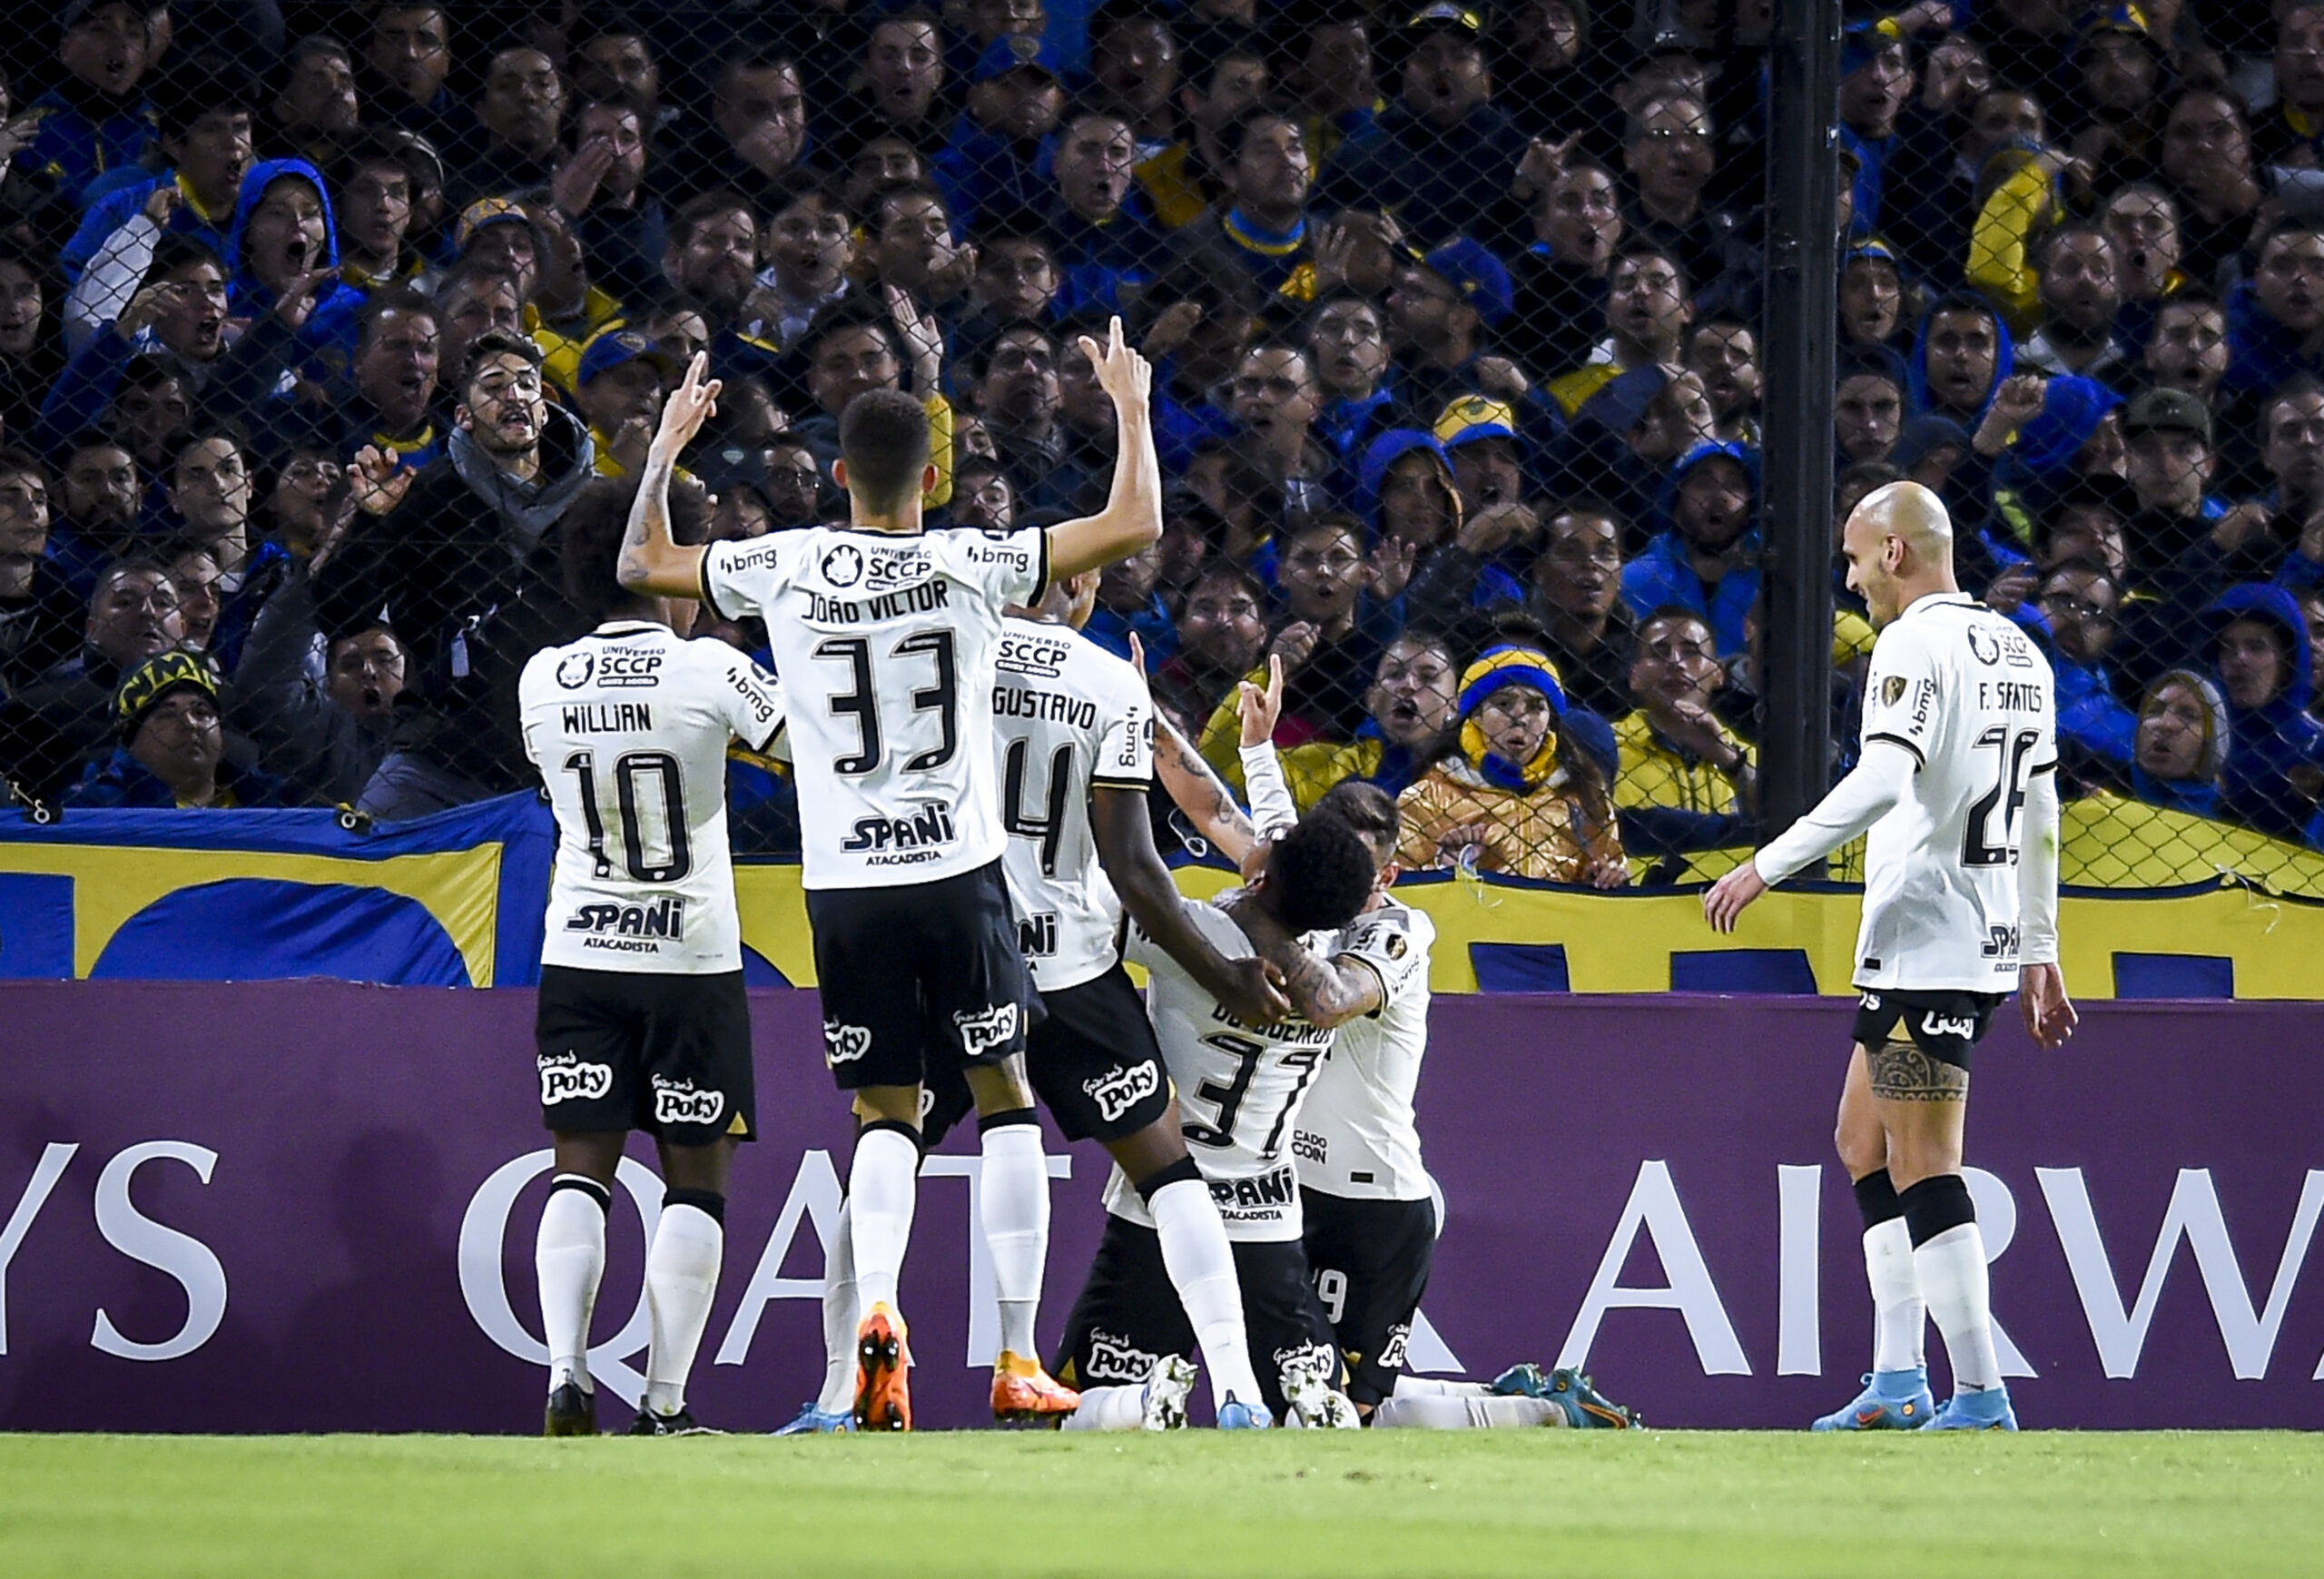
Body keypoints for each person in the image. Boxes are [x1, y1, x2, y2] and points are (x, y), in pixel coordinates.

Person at [615, 323, 1166, 1431]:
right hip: (960, 875)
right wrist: (1131, 406)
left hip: (845, 884)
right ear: (933, 475)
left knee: (883, 1107)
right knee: (1005, 1088)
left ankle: (879, 1313)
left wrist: (666, 453)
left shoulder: (784, 561)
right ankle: (1015, 1347)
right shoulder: (971, 558)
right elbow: (1134, 525)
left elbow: (642, 569)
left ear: (833, 474)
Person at [777, 567, 1294, 1434]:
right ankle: (1239, 1390)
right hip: (1074, 973)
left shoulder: (938, 659)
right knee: (1170, 1175)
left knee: (884, 1147)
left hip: (949, 962)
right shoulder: (1106, 681)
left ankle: (837, 1396)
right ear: (1084, 586)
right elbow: (1136, 870)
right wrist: (1221, 970)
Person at [1154, 672, 1639, 1432]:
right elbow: (1244, 822)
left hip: (1373, 1201)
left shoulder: (1398, 933)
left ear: (1387, 874)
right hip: (1288, 1192)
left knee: (1358, 1412)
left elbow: (1332, 999)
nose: (1339, 877)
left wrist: (1252, 918)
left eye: (1360, 869)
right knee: (1304, 1399)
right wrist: (1251, 746)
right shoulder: (1305, 892)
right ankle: (1513, 1394)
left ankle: (1540, 1413)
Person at [1705, 480, 2078, 1433]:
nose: (1850, 575)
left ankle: (1982, 1391)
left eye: (1856, 556)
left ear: (1897, 554)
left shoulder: (1910, 641)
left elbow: (1883, 774)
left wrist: (1766, 863)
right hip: (1972, 939)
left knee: (1921, 1161)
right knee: (1861, 1142)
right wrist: (2038, 947)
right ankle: (1897, 1378)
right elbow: (2039, 809)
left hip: (1931, 944)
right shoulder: (2019, 651)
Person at [516, 439, 787, 1439]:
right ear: (661, 556)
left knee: (578, 1161)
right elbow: (806, 750)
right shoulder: (709, 666)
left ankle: (564, 1372)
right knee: (694, 1174)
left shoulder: (541, 677)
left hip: (580, 950)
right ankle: (665, 1403)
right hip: (689, 957)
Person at [1049, 803, 1381, 1429]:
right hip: (1268, 1219)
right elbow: (1310, 873)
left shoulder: (1189, 934)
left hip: (1162, 1203)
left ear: (1262, 878)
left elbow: (1080, 892)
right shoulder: (1332, 970)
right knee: (1312, 1413)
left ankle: (1141, 1402)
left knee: (1081, 1408)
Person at [1395, 643, 1628, 885]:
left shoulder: (1585, 794)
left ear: (1550, 722)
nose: (1520, 717)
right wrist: (1444, 869)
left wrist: (1603, 881)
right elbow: (1399, 892)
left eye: (1536, 706)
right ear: (1476, 715)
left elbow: (1614, 870)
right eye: (1503, 704)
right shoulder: (1426, 798)